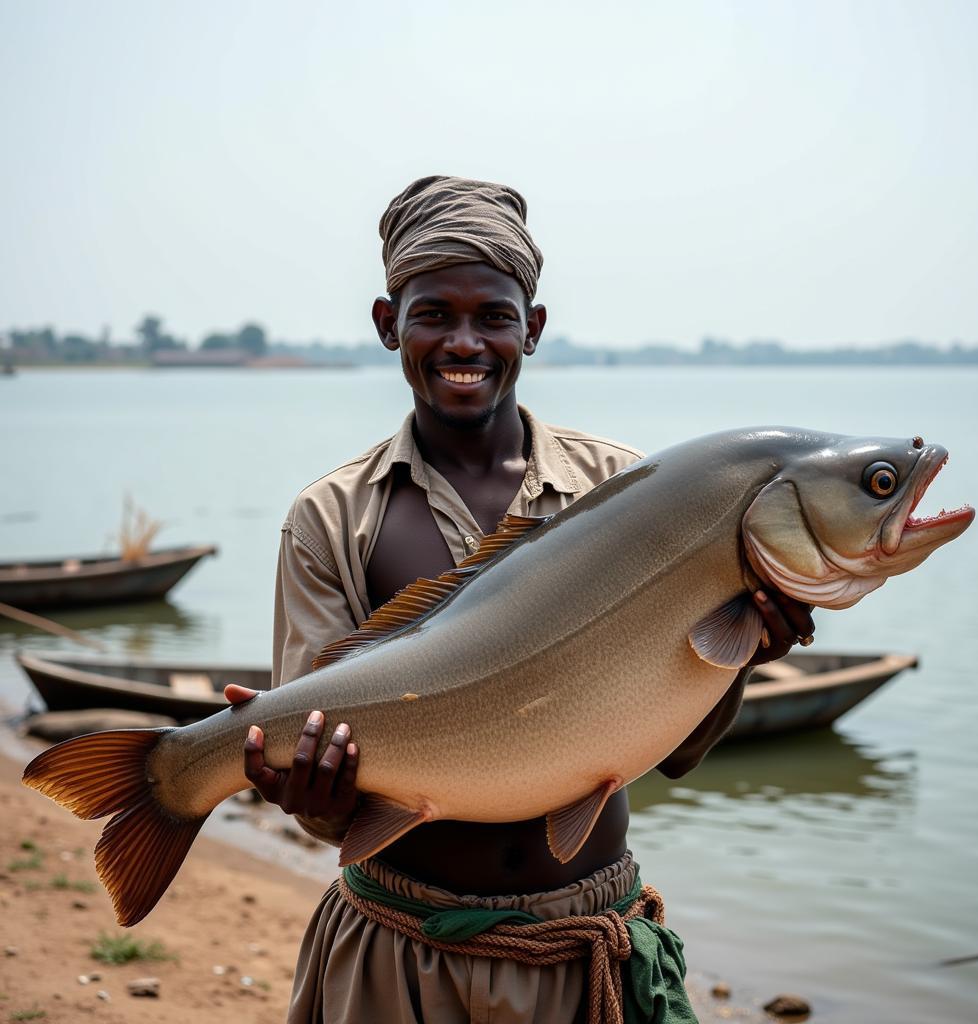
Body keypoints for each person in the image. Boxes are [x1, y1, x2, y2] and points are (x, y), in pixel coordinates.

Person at [225, 175, 814, 1024]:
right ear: (389, 323)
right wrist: (313, 797)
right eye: (433, 313)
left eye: (494, 316)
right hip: (397, 953)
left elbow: (677, 751)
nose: (464, 340)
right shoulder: (331, 517)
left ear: (531, 329)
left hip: (585, 950)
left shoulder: (627, 492)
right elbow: (323, 791)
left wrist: (745, 655)